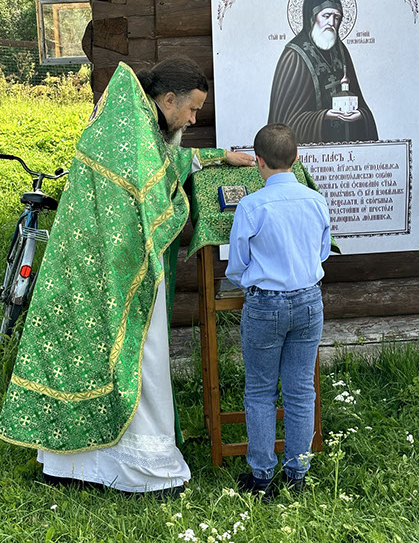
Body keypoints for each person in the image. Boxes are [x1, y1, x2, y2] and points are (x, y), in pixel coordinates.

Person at [0, 57, 254, 495]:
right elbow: (151, 189)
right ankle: (145, 468)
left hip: (98, 265)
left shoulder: (134, 121)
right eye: (192, 109)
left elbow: (162, 161)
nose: (194, 120)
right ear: (168, 100)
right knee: (139, 356)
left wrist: (216, 156)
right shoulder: (128, 129)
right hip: (116, 270)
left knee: (95, 358)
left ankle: (79, 467)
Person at [225, 123, 331, 497]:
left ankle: (261, 477)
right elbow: (322, 251)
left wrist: (255, 283)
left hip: (265, 304)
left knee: (260, 391)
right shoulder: (316, 200)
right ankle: (297, 475)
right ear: (297, 158)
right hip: (309, 301)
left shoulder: (251, 205)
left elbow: (237, 265)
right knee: (301, 391)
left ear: (258, 162)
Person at [267, 0, 378, 143]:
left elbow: (359, 101)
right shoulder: (294, 55)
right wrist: (324, 116)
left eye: (337, 17)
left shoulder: (341, 50)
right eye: (326, 16)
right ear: (312, 18)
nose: (331, 22)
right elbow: (285, 123)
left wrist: (361, 115)